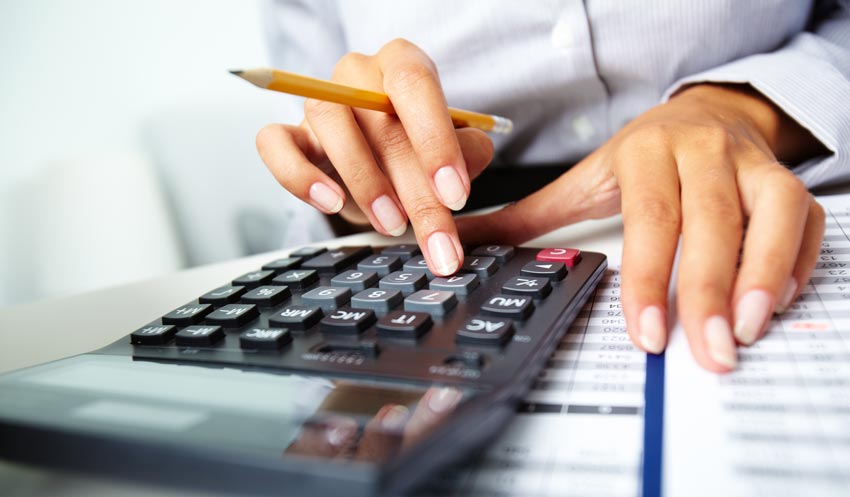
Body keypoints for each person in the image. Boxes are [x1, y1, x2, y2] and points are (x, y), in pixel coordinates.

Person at [255, 0, 850, 372]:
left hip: (762, 172)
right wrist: (354, 173)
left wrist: (742, 105)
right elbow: (321, 102)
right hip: (440, 246)